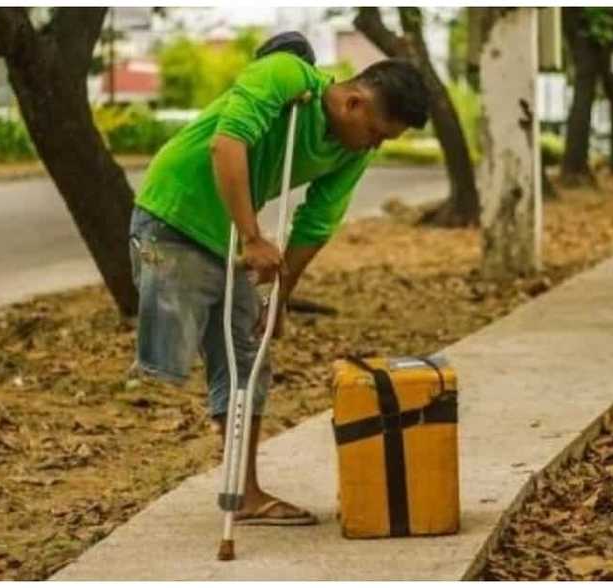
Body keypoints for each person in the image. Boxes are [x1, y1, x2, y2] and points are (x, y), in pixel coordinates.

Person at [127, 40, 431, 525]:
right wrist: (252, 236)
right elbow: (226, 144)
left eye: (384, 140)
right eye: (375, 132)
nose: (375, 144)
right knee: (166, 365)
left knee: (249, 356)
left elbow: (315, 224)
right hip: (175, 216)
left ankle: (244, 494)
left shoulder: (353, 152)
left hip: (228, 236)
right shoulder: (286, 77)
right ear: (354, 102)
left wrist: (279, 298)